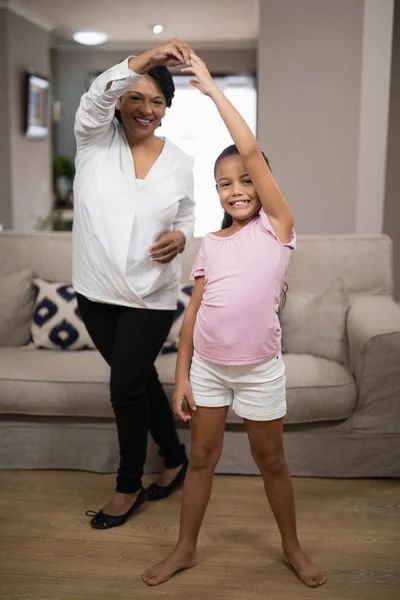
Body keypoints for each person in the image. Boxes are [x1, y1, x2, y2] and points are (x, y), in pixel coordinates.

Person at [142, 53, 327, 587]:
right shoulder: (212, 243)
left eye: (247, 179)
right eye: (225, 183)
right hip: (210, 373)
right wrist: (181, 376)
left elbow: (248, 148)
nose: (237, 188)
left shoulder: (278, 228)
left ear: (263, 184)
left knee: (272, 461)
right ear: (217, 193)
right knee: (201, 458)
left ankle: (292, 547)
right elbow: (193, 313)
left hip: (259, 369)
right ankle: (185, 549)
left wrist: (214, 93)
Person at [73, 39, 196, 529]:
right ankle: (172, 457)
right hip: (96, 291)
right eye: (137, 98)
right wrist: (146, 60)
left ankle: (128, 489)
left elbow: (187, 212)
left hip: (151, 294)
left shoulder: (181, 161)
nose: (147, 110)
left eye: (158, 101)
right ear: (121, 101)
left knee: (125, 388)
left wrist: (182, 236)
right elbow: (95, 97)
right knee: (141, 379)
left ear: (167, 110)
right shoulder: (93, 140)